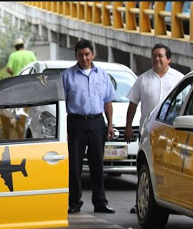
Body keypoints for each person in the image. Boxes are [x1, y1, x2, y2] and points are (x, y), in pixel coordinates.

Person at [124, 43, 184, 213]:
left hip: (171, 133)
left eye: (160, 56)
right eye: (154, 56)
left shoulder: (178, 79)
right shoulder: (143, 79)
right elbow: (133, 105)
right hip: (148, 132)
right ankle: (142, 201)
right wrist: (129, 126)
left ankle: (168, 200)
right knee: (145, 168)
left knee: (168, 168)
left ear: (169, 59)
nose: (157, 59)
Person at [62, 39, 116, 214]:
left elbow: (107, 100)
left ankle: (100, 202)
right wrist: (64, 129)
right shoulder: (67, 76)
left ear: (93, 54)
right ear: (76, 55)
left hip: (97, 122)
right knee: (75, 166)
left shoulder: (102, 75)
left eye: (87, 54)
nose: (84, 58)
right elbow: (61, 104)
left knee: (97, 165)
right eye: (80, 54)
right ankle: (74, 203)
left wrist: (110, 124)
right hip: (76, 123)